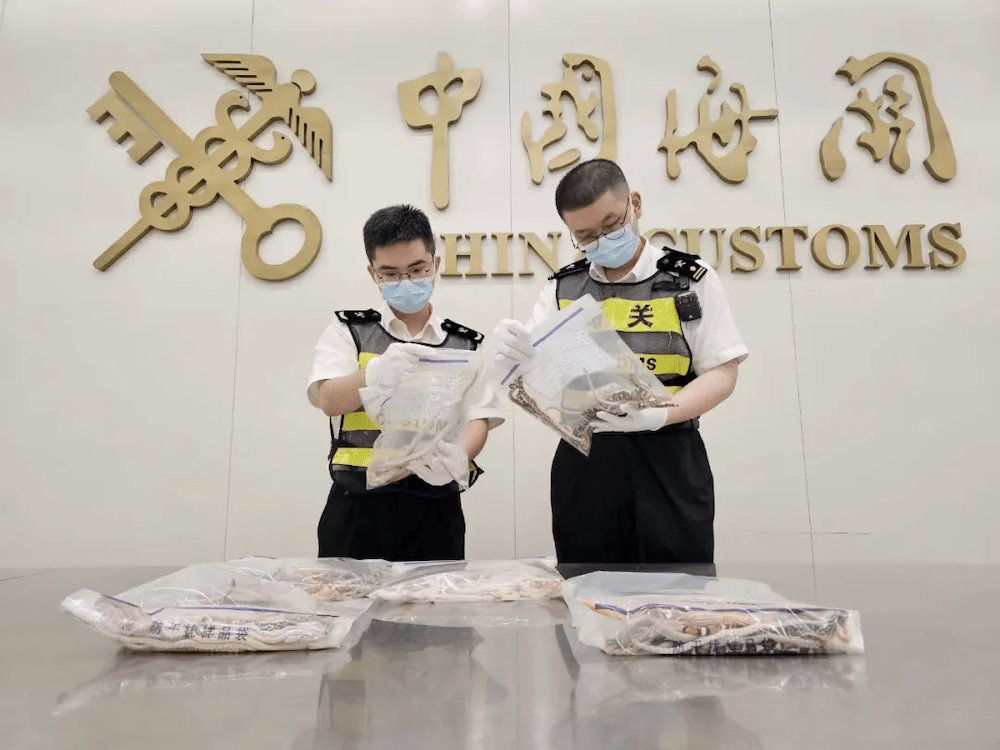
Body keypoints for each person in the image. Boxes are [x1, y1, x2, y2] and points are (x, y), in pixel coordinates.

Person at [490, 159, 747, 564]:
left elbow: (722, 372)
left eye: (611, 225)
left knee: (678, 593)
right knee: (586, 590)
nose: (602, 240)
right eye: (586, 235)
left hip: (670, 457)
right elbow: (534, 368)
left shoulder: (688, 279)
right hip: (587, 461)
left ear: (635, 204)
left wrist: (661, 415)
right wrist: (511, 355)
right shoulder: (562, 287)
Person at [307, 204, 503, 562]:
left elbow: (480, 417)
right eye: (391, 274)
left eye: (417, 270)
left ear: (435, 265)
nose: (406, 281)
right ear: (373, 274)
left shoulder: (464, 343)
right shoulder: (349, 332)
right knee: (348, 613)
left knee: (434, 614)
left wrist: (460, 455)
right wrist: (373, 375)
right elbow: (328, 400)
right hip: (357, 505)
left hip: (435, 506)